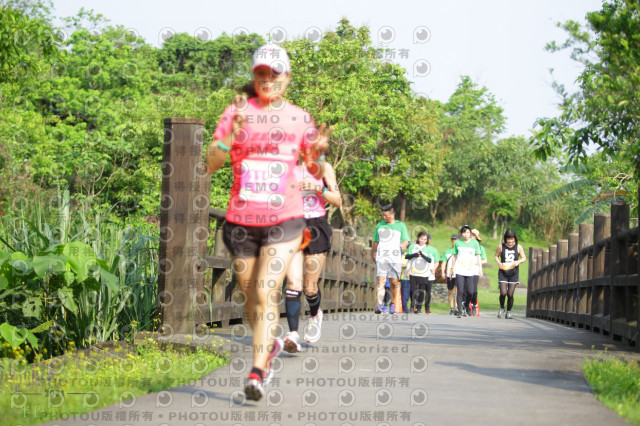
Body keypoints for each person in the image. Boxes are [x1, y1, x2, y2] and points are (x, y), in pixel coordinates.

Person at [205, 44, 331, 401]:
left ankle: (258, 370)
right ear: (254, 76)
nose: (268, 80)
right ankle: (270, 345)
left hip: (286, 221)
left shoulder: (299, 118)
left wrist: (315, 159)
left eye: (276, 74)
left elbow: (313, 165)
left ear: (287, 78)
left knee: (264, 290)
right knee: (250, 297)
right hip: (242, 222)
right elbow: (211, 161)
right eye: (262, 73)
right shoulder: (236, 111)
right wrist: (233, 133)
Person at [283, 161, 341, 353]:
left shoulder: (323, 167)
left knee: (309, 288)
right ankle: (293, 334)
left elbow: (337, 200)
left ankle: (315, 314)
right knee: (294, 283)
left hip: (316, 226)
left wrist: (319, 189)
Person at [371, 206, 410, 314]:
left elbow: (406, 239)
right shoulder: (380, 225)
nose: (384, 217)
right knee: (381, 280)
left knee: (394, 282)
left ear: (392, 215)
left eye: (386, 215)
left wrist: (404, 244)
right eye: (383, 215)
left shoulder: (400, 225)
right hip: (382, 256)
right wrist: (373, 253)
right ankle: (379, 305)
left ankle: (392, 303)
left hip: (395, 257)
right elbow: (375, 241)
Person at [449, 225, 482, 318]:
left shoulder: (475, 243)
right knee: (460, 290)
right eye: (464, 232)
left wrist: (480, 269)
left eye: (468, 232)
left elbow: (478, 256)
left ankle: (466, 304)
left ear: (470, 233)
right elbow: (454, 256)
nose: (466, 234)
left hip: (470, 270)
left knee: (471, 292)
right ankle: (459, 310)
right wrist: (452, 268)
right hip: (459, 269)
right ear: (461, 233)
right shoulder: (458, 243)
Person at [494, 229, 527, 319]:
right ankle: (501, 308)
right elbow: (496, 256)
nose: (510, 241)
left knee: (510, 294)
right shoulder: (501, 246)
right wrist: (499, 263)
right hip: (503, 272)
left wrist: (518, 262)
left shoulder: (518, 247)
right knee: (503, 292)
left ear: (515, 239)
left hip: (513, 273)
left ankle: (509, 311)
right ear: (505, 239)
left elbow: (524, 258)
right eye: (508, 239)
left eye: (512, 239)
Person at [404, 232, 435, 314]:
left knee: (421, 291)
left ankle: (419, 308)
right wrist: (415, 255)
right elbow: (407, 256)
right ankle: (412, 305)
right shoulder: (413, 246)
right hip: (413, 272)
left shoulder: (428, 248)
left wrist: (422, 255)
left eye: (425, 239)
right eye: (421, 239)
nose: (423, 241)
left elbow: (429, 260)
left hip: (424, 273)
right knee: (413, 290)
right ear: (418, 238)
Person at [469, 229, 487, 316]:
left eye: (473, 235)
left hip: (475, 270)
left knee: (473, 290)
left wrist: (474, 262)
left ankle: (474, 304)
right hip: (465, 270)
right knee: (466, 290)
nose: (472, 236)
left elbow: (484, 260)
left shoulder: (480, 248)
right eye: (471, 235)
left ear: (476, 237)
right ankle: (466, 306)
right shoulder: (465, 246)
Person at [441, 234, 459, 315]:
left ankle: (457, 307)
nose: (454, 241)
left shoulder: (460, 250)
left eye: (455, 239)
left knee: (458, 290)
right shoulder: (447, 251)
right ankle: (451, 308)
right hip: (449, 274)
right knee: (450, 291)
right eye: (452, 239)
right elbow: (444, 262)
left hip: (459, 273)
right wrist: (442, 271)